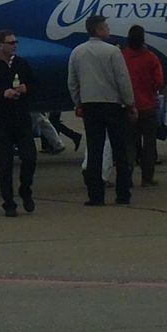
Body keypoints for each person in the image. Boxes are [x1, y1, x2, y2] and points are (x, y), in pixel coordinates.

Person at [67, 14, 136, 206]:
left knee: (95, 150)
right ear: (97, 30)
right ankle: (123, 194)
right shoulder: (113, 52)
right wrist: (130, 103)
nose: (109, 29)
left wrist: (78, 103)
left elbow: (72, 82)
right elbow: (123, 80)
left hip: (90, 105)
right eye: (105, 26)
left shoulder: (77, 52)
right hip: (112, 105)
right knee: (119, 151)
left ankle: (95, 196)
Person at [0, 30, 37, 216]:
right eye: (11, 42)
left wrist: (26, 88)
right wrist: (2, 94)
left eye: (16, 42)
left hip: (22, 120)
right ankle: (9, 202)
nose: (15, 45)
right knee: (4, 164)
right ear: (1, 46)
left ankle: (25, 189)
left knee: (30, 158)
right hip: (2, 122)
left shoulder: (22, 64)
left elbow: (35, 86)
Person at [120, 26, 166, 188]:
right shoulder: (151, 57)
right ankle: (147, 177)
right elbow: (159, 81)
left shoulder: (123, 56)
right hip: (148, 105)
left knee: (129, 144)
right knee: (149, 144)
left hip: (128, 105)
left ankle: (127, 176)